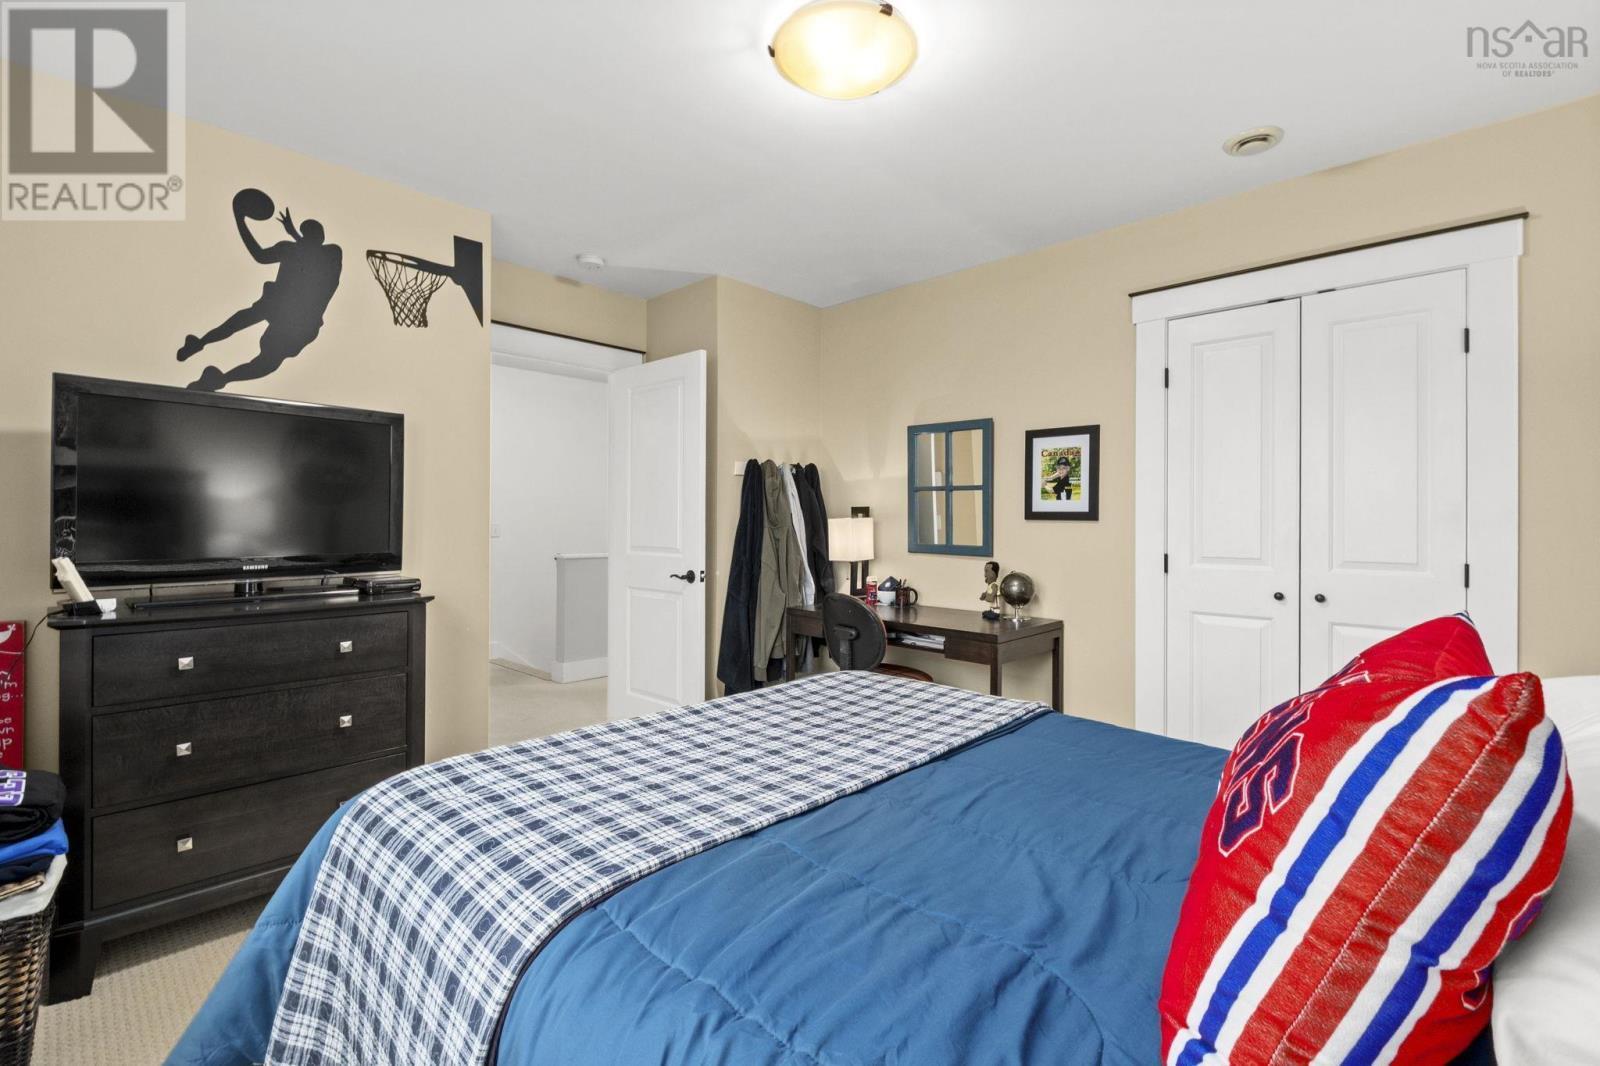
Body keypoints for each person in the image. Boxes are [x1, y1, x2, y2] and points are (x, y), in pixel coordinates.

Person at [178, 198, 342, 391]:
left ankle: (218, 374)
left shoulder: (330, 252)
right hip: (291, 312)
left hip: (300, 318)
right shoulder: (296, 249)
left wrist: (243, 220)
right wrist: (241, 221)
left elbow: (308, 256)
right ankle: (203, 348)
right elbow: (260, 255)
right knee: (247, 332)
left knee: (265, 358)